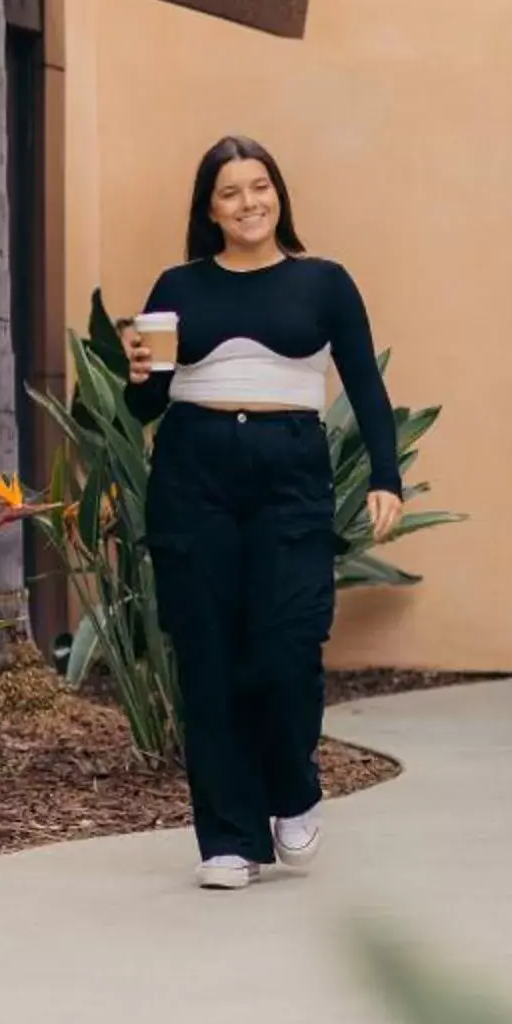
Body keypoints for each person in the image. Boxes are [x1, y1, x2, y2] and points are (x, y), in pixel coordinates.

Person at [122, 137, 404, 891]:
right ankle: (228, 840)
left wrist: (387, 474)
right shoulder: (178, 284)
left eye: (259, 187)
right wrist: (144, 373)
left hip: (290, 474)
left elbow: (364, 387)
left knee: (287, 645)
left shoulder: (324, 283)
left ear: (278, 194)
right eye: (230, 192)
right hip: (194, 470)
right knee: (208, 655)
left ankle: (294, 791)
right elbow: (143, 403)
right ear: (208, 210)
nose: (248, 203)